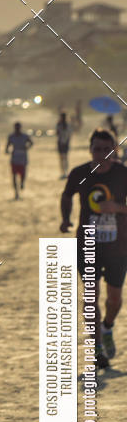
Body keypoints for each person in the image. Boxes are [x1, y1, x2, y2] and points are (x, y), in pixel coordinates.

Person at [60, 128, 127, 368]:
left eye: (106, 149)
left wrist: (117, 208)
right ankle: (97, 347)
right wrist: (65, 219)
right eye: (97, 149)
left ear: (114, 150)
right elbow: (66, 196)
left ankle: (107, 326)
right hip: (87, 244)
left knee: (114, 300)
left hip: (118, 246)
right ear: (90, 150)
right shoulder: (79, 173)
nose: (101, 154)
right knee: (91, 297)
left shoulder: (123, 174)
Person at [5, 122, 33, 199]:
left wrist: (26, 148)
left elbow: (31, 143)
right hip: (14, 159)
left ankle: (22, 183)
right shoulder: (11, 136)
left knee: (22, 175)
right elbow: (7, 146)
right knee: (14, 176)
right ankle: (16, 193)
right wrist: (7, 151)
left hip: (23, 158)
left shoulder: (25, 136)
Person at [56, 112, 72, 179]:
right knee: (62, 158)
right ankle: (63, 172)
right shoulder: (59, 124)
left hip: (64, 143)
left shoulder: (67, 125)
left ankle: (65, 172)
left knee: (64, 158)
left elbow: (68, 135)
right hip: (62, 142)